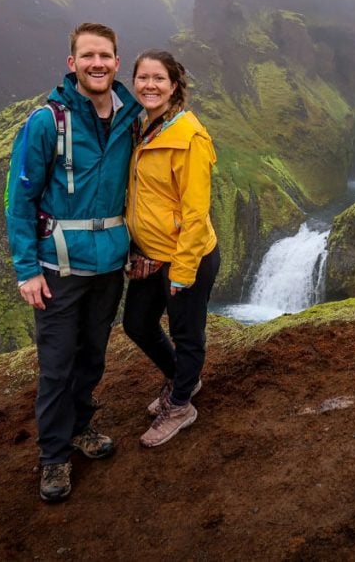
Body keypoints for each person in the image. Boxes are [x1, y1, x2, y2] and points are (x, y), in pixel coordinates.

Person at [4, 22, 141, 502]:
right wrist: (26, 270)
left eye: (105, 55)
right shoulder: (47, 122)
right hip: (58, 268)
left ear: (117, 62)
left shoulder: (131, 117)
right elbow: (19, 198)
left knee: (93, 356)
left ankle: (80, 426)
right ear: (72, 64)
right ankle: (54, 457)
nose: (97, 64)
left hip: (107, 267)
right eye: (87, 56)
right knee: (57, 366)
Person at [122, 49, 220, 448]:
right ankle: (184, 378)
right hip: (150, 256)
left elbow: (196, 213)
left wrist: (182, 270)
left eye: (158, 79)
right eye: (143, 78)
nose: (150, 85)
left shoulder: (189, 138)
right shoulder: (144, 128)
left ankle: (181, 404)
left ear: (174, 85)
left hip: (187, 257)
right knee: (136, 324)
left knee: (186, 332)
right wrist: (133, 249)